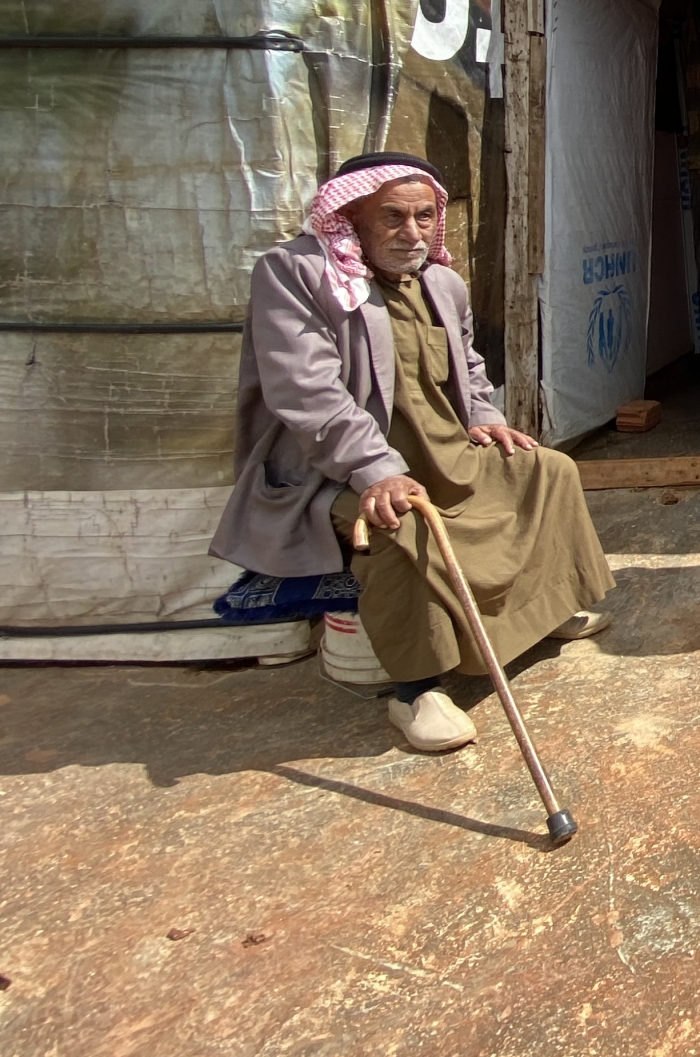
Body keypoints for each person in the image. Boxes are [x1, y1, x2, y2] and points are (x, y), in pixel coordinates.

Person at [210, 154, 617, 755]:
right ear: (351, 218)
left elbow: (470, 368)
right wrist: (377, 471)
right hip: (336, 469)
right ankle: (416, 689)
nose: (413, 233)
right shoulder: (294, 274)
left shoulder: (441, 282)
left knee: (545, 470)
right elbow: (306, 391)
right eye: (393, 217)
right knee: (396, 525)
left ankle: (543, 611)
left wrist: (483, 416)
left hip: (445, 449)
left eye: (425, 217)